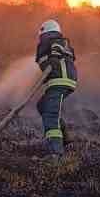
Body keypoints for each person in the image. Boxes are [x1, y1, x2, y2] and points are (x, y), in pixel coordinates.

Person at [34, 17, 77, 160]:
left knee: (50, 115)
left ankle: (55, 153)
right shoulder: (52, 43)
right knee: (42, 105)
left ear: (46, 33)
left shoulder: (56, 41)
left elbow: (58, 46)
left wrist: (54, 56)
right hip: (58, 81)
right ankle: (66, 137)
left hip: (60, 80)